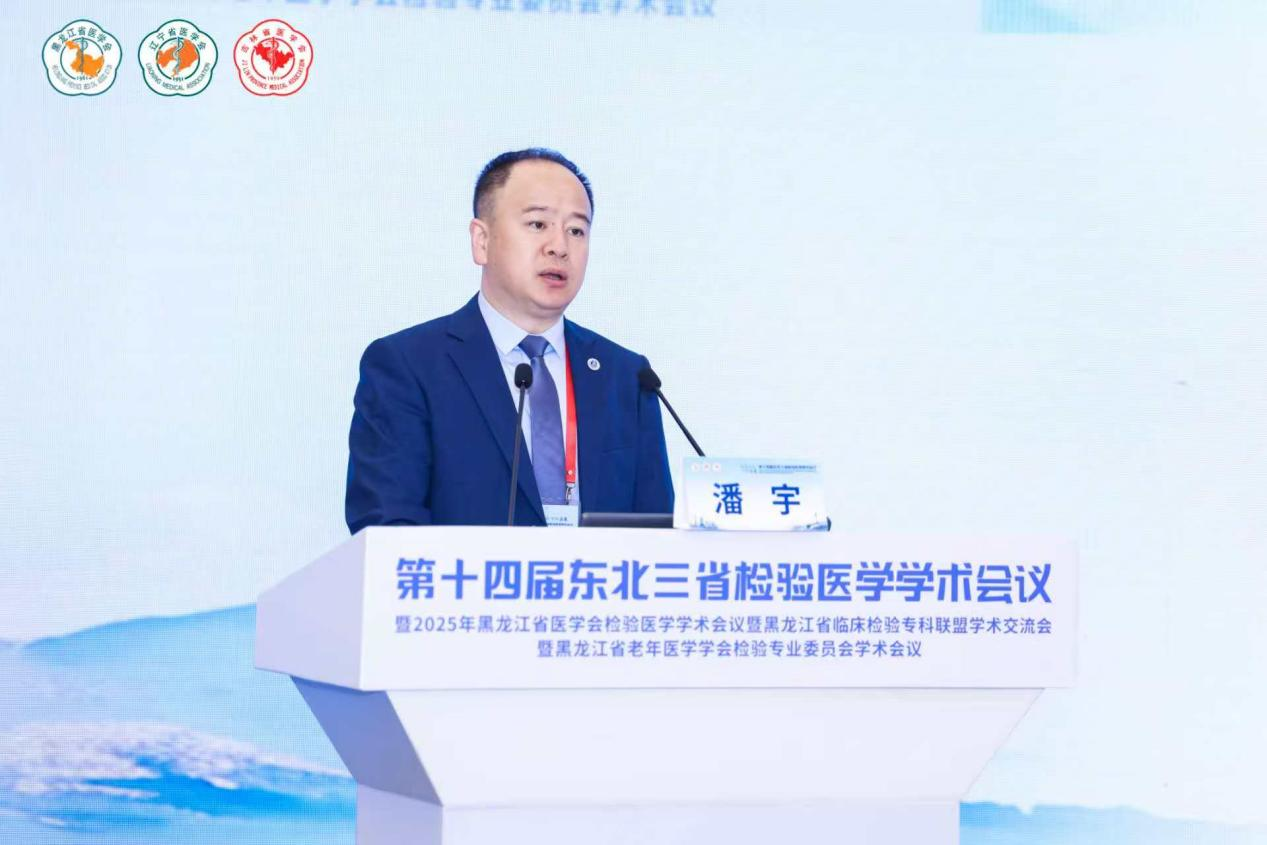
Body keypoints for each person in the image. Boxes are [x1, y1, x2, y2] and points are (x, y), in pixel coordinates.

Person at [345, 148, 674, 533]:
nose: (559, 246)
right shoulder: (408, 366)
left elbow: (657, 534)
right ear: (481, 241)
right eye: (537, 224)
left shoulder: (627, 376)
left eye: (576, 230)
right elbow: (386, 529)